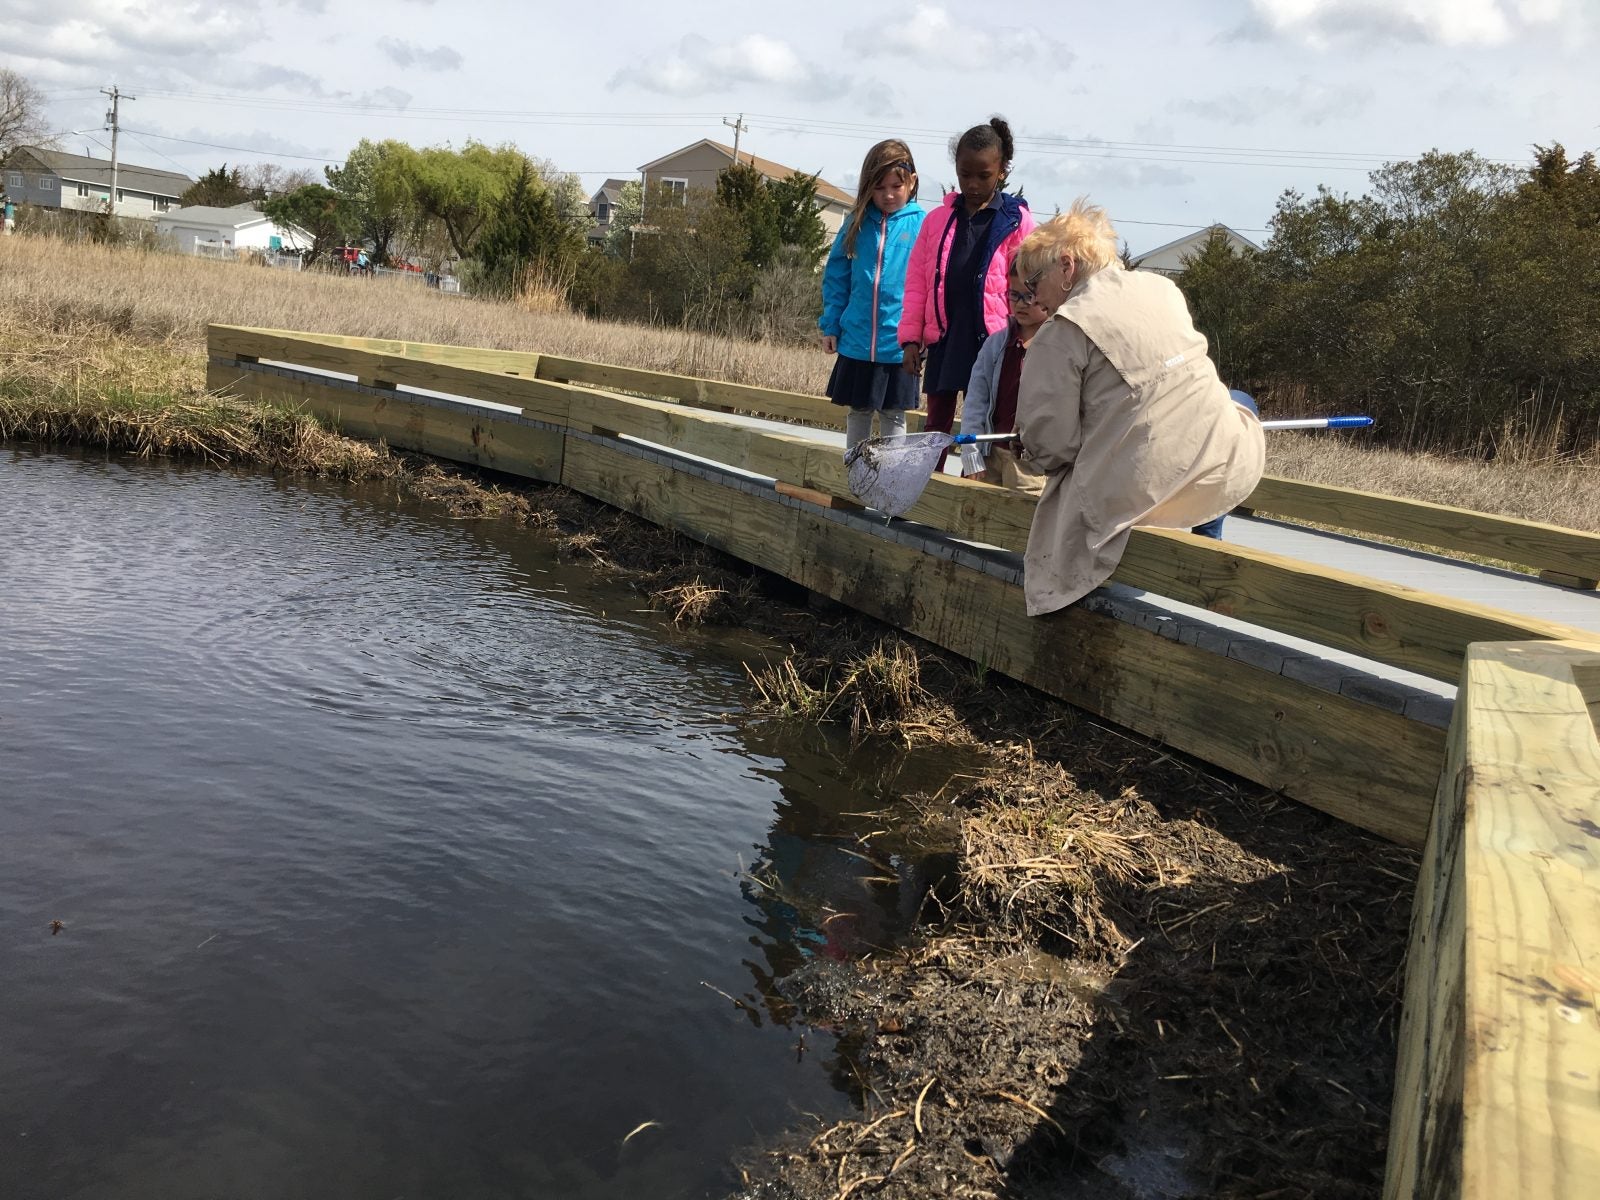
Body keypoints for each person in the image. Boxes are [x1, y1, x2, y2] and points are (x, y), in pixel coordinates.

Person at [1011, 200, 1265, 617]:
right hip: (1219, 467)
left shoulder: (1060, 332)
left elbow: (1053, 448)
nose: (1035, 297)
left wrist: (1030, 448)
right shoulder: (1162, 288)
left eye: (1035, 283)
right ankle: (1208, 534)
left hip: (1138, 493)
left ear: (1067, 267)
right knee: (1236, 402)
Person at [898, 117, 1035, 470]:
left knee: (984, 424)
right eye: (965, 174)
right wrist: (911, 339)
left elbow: (1032, 281)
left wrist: (1026, 335)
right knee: (936, 423)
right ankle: (930, 484)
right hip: (946, 337)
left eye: (983, 175)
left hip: (993, 341)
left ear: (1002, 171)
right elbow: (916, 283)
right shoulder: (936, 220)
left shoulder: (1017, 221)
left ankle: (976, 486)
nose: (972, 184)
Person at [819, 140, 927, 448]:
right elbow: (836, 277)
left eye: (896, 186)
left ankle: (891, 475)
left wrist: (924, 335)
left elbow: (931, 285)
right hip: (857, 341)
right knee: (859, 410)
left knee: (894, 413)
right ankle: (856, 469)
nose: (888, 195)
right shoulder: (856, 222)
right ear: (868, 186)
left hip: (899, 344)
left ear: (912, 182)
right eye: (879, 188)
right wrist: (831, 324)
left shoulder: (922, 224)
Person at [958, 255, 1051, 493]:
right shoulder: (996, 344)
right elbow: (975, 402)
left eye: (1029, 296)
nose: (1020, 304)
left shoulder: (1056, 348)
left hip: (1030, 465)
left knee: (1022, 515)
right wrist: (971, 453)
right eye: (1014, 295)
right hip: (989, 456)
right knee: (976, 512)